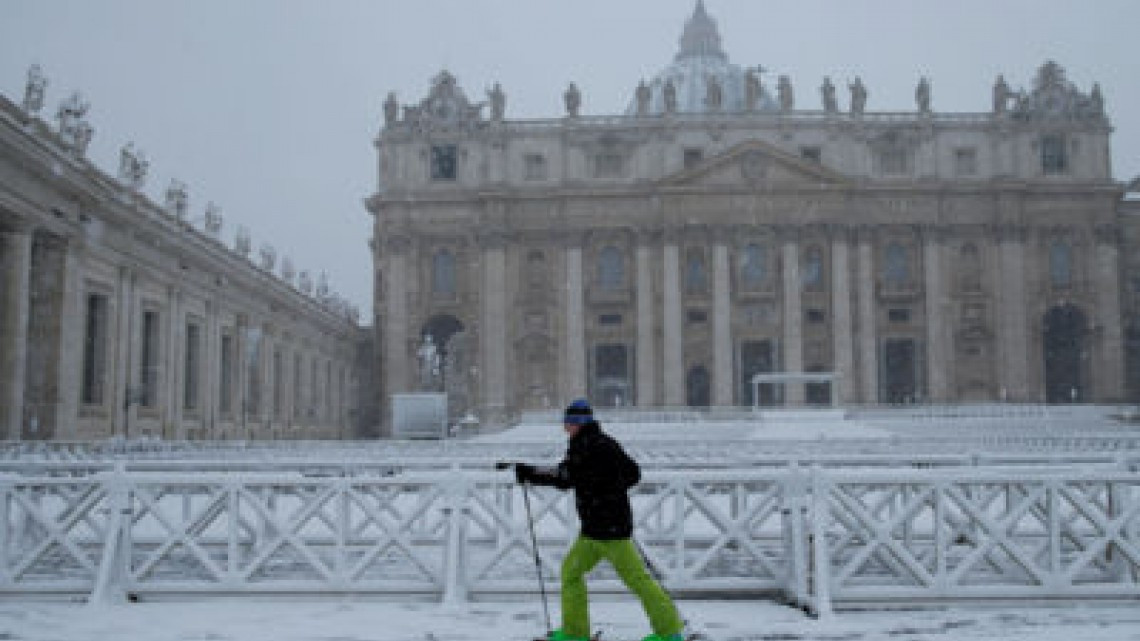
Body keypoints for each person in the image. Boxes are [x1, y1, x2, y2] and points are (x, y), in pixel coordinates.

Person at [514, 399, 685, 641]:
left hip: (608, 530)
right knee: (572, 572)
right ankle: (575, 632)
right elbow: (632, 473)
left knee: (637, 580)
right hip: (597, 528)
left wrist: (530, 473)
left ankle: (670, 632)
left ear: (578, 423)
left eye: (568, 422)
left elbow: (564, 477)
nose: (564, 426)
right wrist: (610, 491)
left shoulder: (588, 446)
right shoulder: (602, 443)